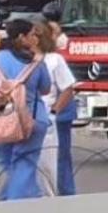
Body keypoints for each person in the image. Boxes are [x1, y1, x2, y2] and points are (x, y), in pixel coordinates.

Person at [0, 18, 53, 201]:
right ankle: (17, 202)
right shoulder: (36, 62)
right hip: (32, 120)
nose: (35, 39)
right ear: (22, 37)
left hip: (1, 119)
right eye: (32, 35)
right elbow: (46, 88)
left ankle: (6, 199)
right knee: (25, 162)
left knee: (5, 161)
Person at [36, 21, 75, 196]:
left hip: (53, 119)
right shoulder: (23, 59)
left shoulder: (54, 59)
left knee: (57, 160)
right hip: (29, 118)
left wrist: (53, 112)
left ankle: (65, 196)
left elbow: (67, 87)